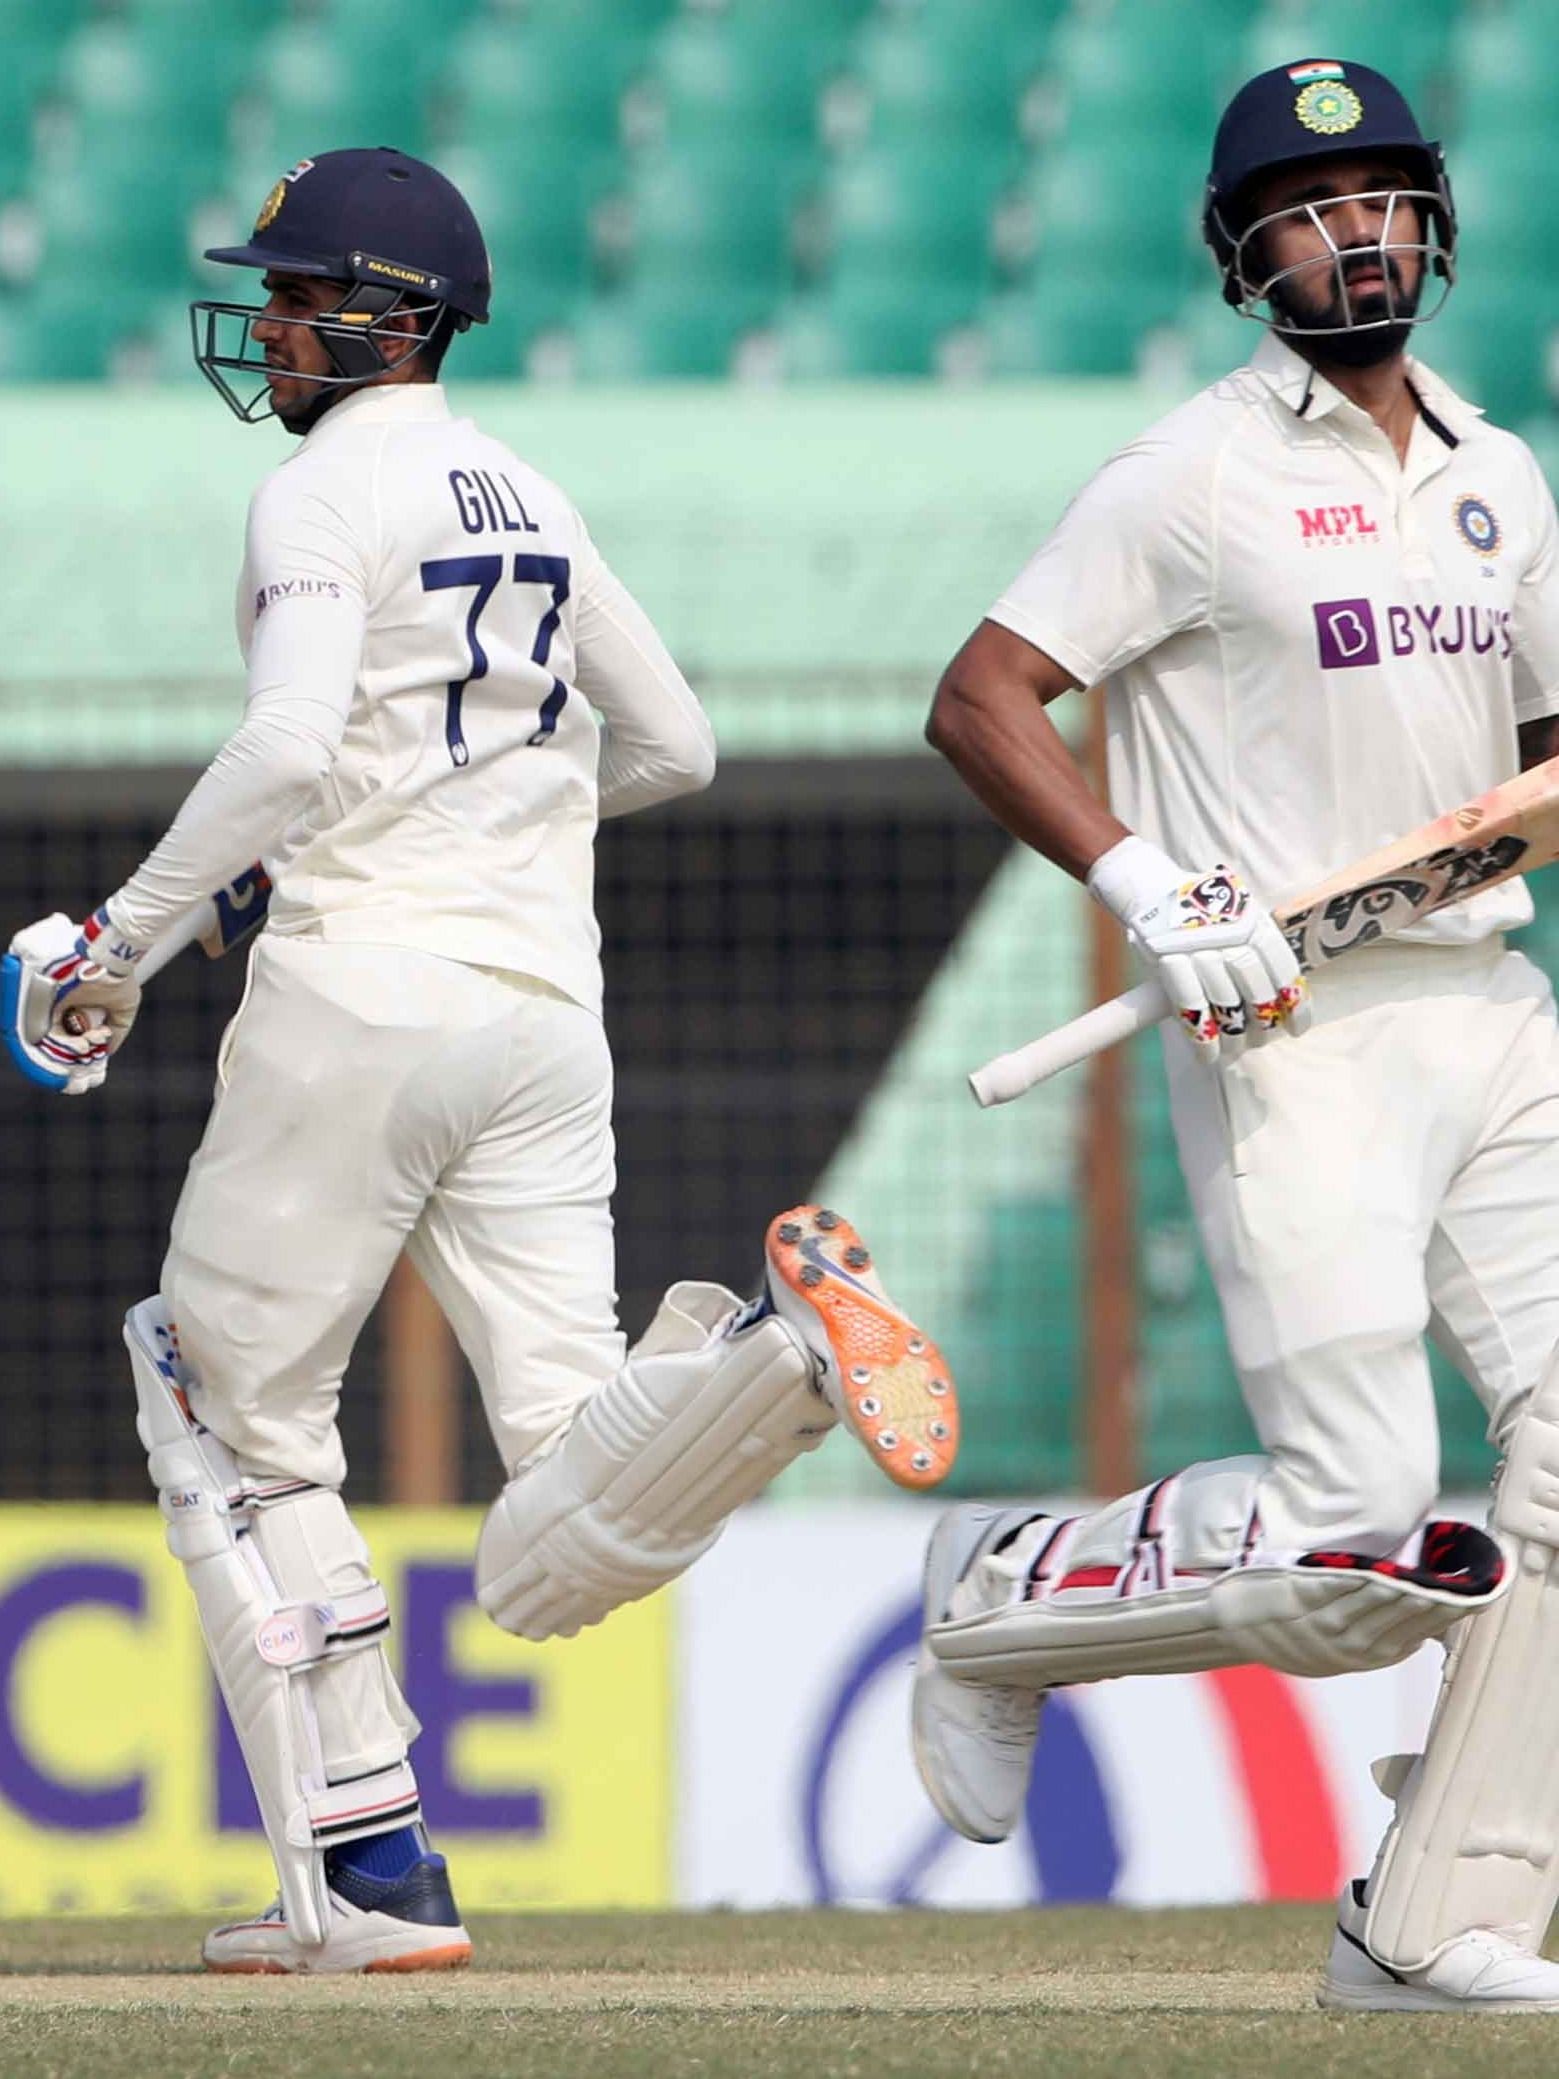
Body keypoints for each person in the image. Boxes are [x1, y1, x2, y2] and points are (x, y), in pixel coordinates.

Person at [5, 148, 957, 1973]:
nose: (269, 327)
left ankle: (362, 1874)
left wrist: (119, 941)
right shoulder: (532, 487)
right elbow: (672, 742)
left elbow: (290, 754)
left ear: (382, 314)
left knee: (214, 1393)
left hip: (358, 996)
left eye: (294, 298)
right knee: (566, 1481)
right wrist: (492, 817)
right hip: (542, 1012)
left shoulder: (316, 492)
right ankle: (766, 1367)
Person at [912, 61, 1559, 2011]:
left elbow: (1538, 764)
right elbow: (985, 694)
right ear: (1240, 250)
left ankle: (1437, 1912)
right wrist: (1148, 882)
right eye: (1308, 200)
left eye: (1381, 194)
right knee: (1362, 1533)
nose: (1352, 228)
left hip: (1492, 1006)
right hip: (1293, 1029)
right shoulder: (1192, 474)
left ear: (1432, 221)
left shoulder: (1501, 473)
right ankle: (1004, 1599)